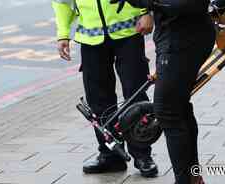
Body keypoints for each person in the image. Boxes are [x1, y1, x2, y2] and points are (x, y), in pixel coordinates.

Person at [110, 0, 216, 183]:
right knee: (179, 108)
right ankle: (192, 177)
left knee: (168, 111)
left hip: (183, 40)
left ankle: (186, 180)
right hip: (181, 36)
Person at [51, 0, 158, 177]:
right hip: (90, 37)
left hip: (129, 32)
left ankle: (142, 155)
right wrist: (63, 33)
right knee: (98, 99)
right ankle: (111, 155)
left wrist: (146, 11)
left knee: (136, 96)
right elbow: (62, 2)